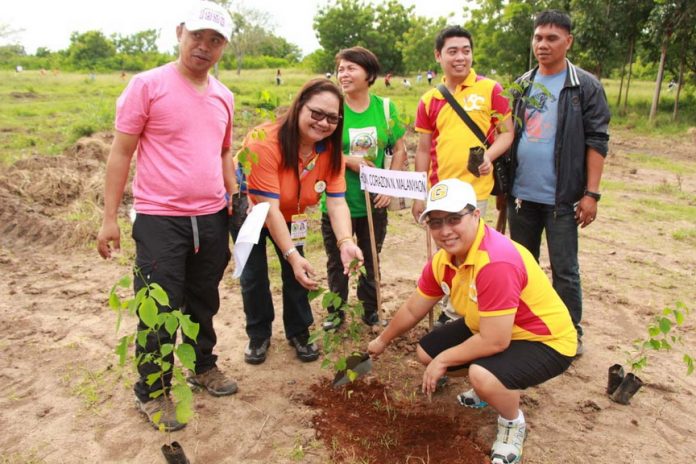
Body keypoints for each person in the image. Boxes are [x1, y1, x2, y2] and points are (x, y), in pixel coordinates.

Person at [96, 1, 238, 432]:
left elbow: (224, 151)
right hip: (161, 218)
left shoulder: (223, 96)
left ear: (224, 48)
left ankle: (202, 366)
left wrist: (233, 199)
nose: (204, 47)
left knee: (203, 298)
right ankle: (153, 390)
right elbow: (121, 152)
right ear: (180, 32)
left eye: (215, 41)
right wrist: (109, 217)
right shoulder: (147, 85)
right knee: (159, 305)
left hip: (211, 216)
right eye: (197, 36)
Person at [368, 179, 577, 464]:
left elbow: (496, 341)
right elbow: (413, 307)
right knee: (426, 353)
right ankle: (491, 388)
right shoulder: (444, 260)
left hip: (544, 340)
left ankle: (512, 423)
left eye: (454, 219)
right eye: (436, 222)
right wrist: (382, 340)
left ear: (476, 215)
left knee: (481, 375)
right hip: (493, 326)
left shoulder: (495, 261)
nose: (445, 231)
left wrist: (445, 360)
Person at [230, 78, 365, 365]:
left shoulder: (330, 151)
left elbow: (337, 200)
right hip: (253, 209)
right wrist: (291, 254)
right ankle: (258, 334)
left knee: (297, 275)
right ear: (299, 106)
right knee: (254, 275)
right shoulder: (264, 140)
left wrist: (345, 242)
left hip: (294, 213)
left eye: (332, 118)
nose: (323, 123)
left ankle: (299, 331)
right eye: (316, 113)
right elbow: (268, 208)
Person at [507, 10, 610, 356]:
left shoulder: (585, 86)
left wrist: (591, 194)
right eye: (538, 37)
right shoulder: (523, 84)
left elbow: (597, 140)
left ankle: (569, 333)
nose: (542, 44)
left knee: (565, 269)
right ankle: (528, 326)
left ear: (569, 41)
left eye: (552, 38)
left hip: (563, 199)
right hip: (521, 196)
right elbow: (509, 134)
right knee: (523, 265)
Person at [412, 25, 514, 326]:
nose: (460, 57)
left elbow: (507, 134)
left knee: (472, 251)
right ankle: (451, 302)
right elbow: (422, 148)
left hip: (476, 191)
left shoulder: (491, 90)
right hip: (440, 192)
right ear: (438, 55)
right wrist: (420, 194)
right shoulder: (430, 99)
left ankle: (460, 314)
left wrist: (489, 157)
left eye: (466, 51)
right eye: (453, 51)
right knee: (447, 249)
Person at [319, 47, 408, 331]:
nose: (343, 74)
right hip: (337, 201)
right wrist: (349, 161)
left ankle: (371, 309)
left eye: (350, 68)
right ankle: (336, 310)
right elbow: (319, 150)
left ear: (369, 74)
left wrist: (391, 187)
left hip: (375, 202)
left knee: (371, 257)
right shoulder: (333, 109)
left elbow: (399, 148)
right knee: (336, 260)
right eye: (341, 69)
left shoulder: (385, 108)